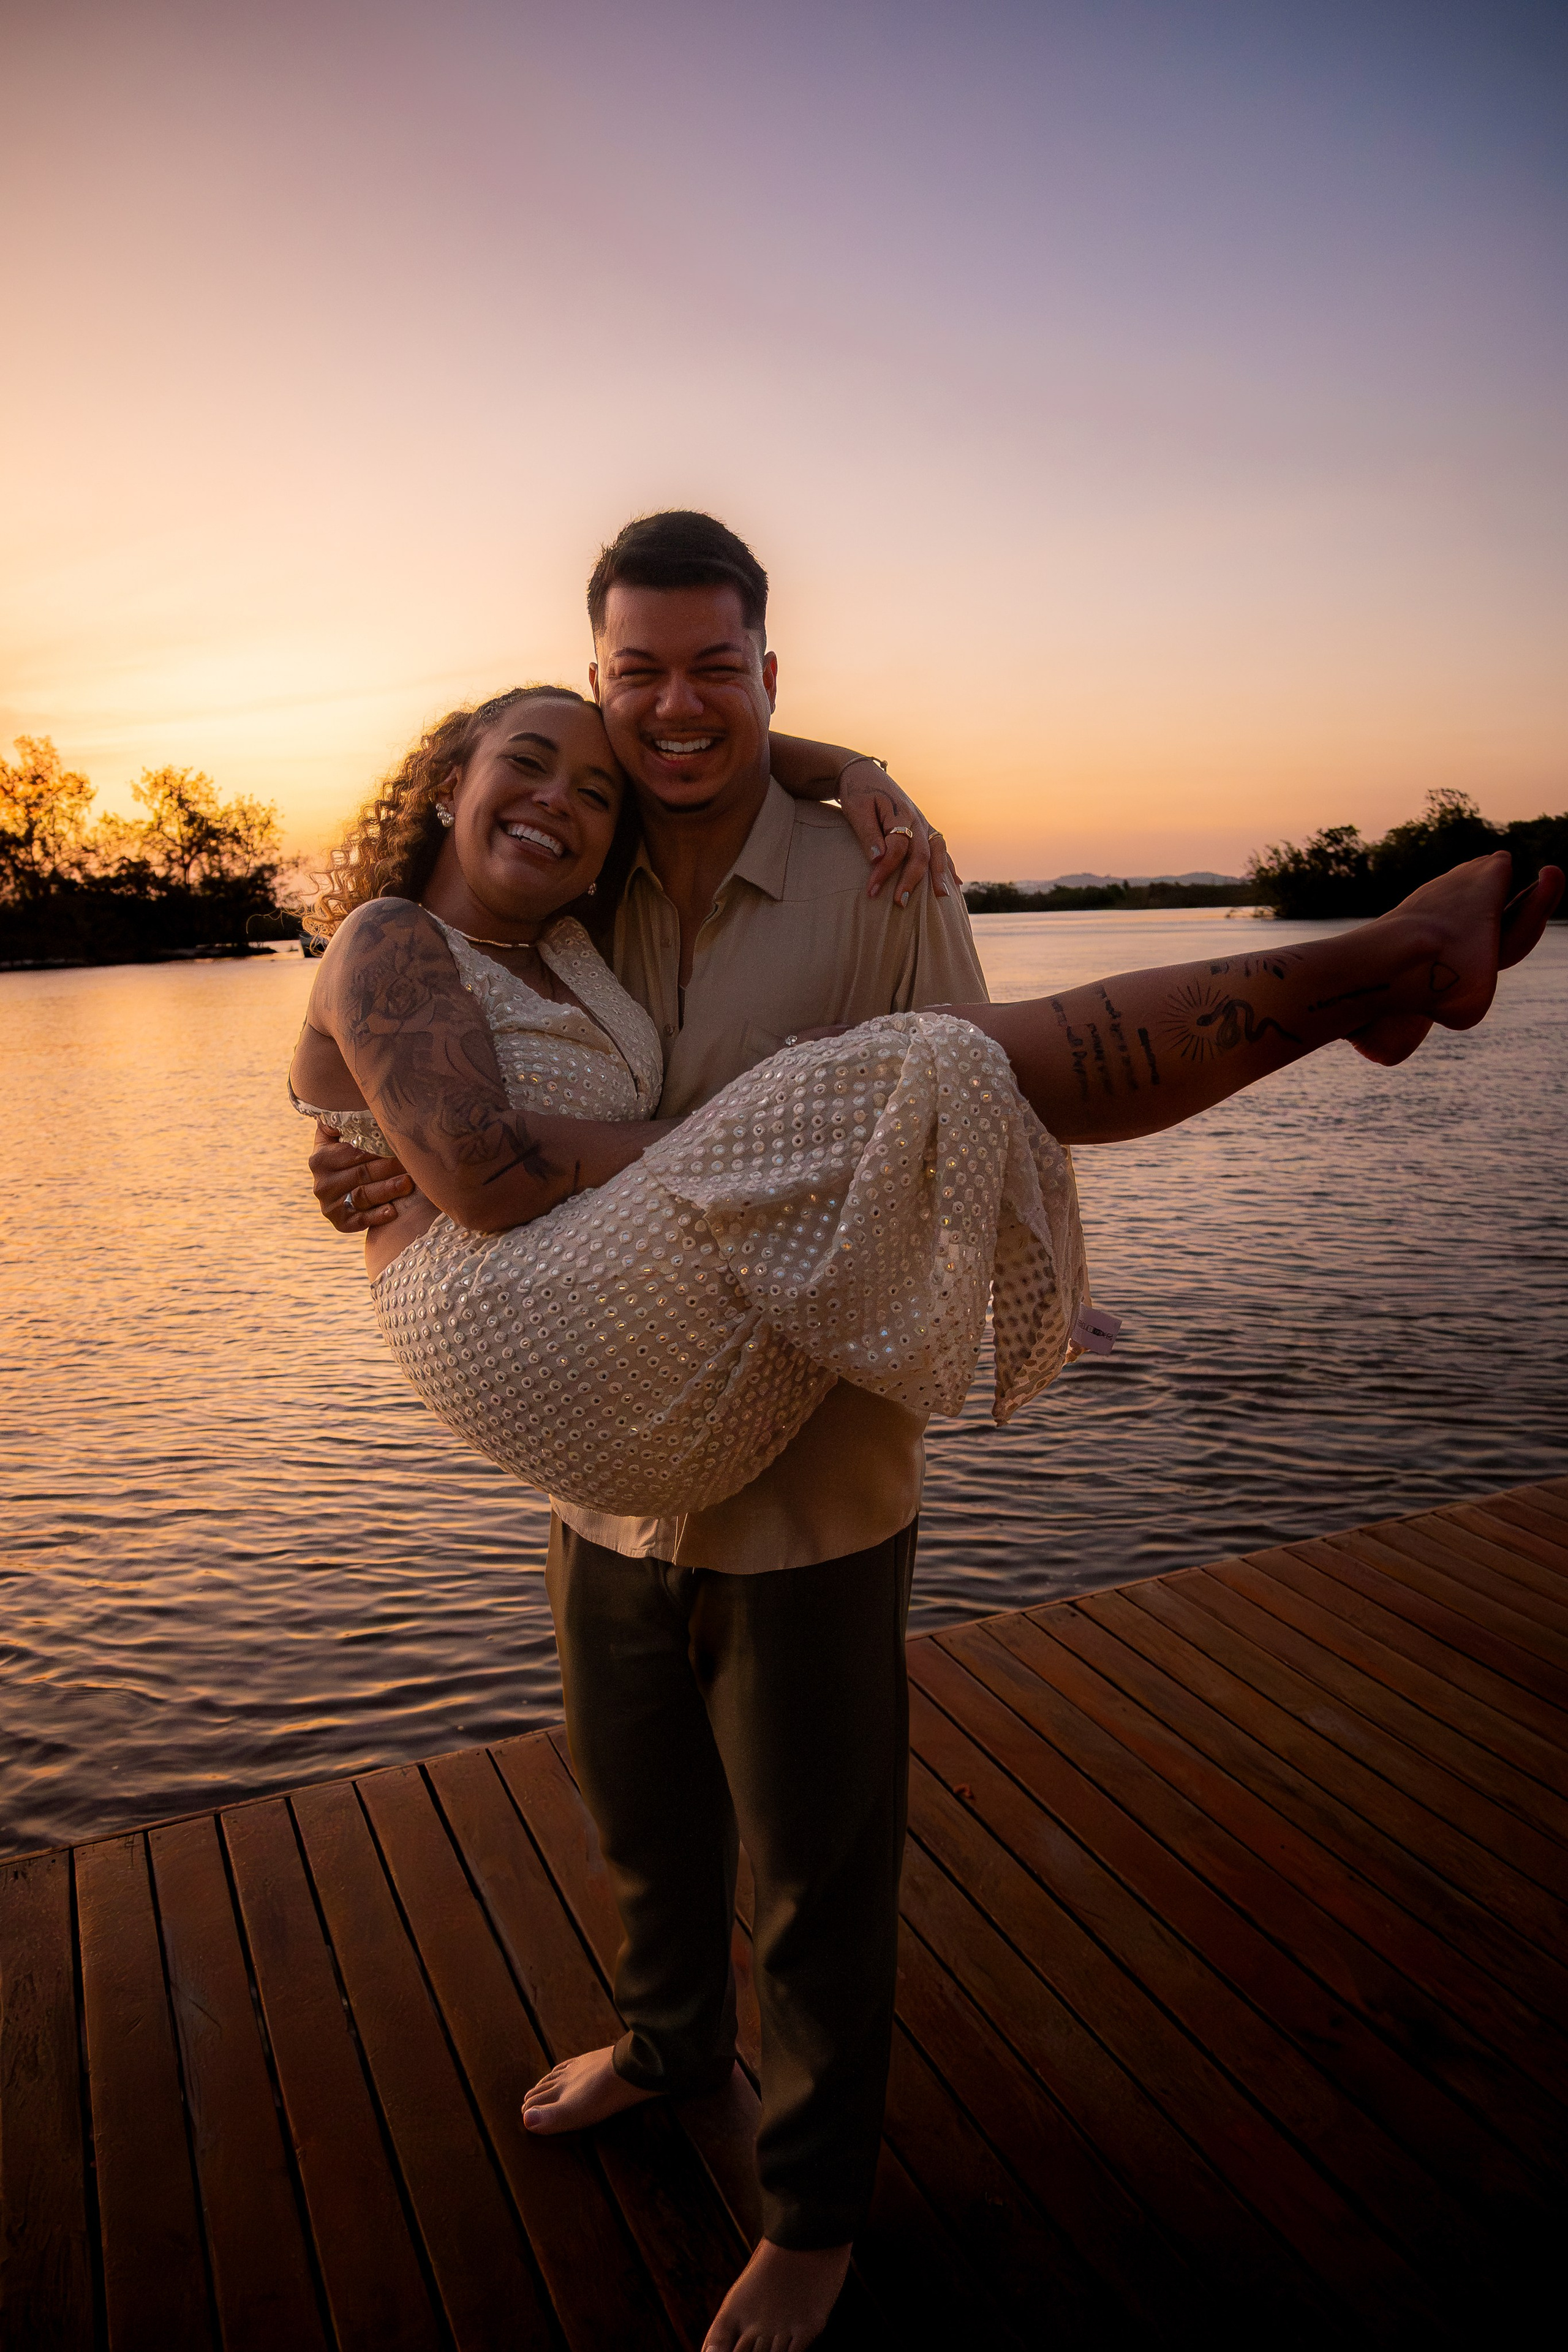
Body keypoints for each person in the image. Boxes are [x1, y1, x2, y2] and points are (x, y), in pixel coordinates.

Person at [301, 513, 1562, 2352]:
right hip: (613, 1474)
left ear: (769, 675)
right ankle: (667, 2049)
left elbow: (979, 1112)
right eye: (629, 678)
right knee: (642, 1824)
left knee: (821, 1868)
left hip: (806, 1469)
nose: (668, 712)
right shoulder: (587, 864)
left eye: (717, 671)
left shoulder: (874, 871)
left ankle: (810, 2210)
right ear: (582, 693)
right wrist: (404, 1140)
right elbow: (458, 1060)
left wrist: (861, 803)